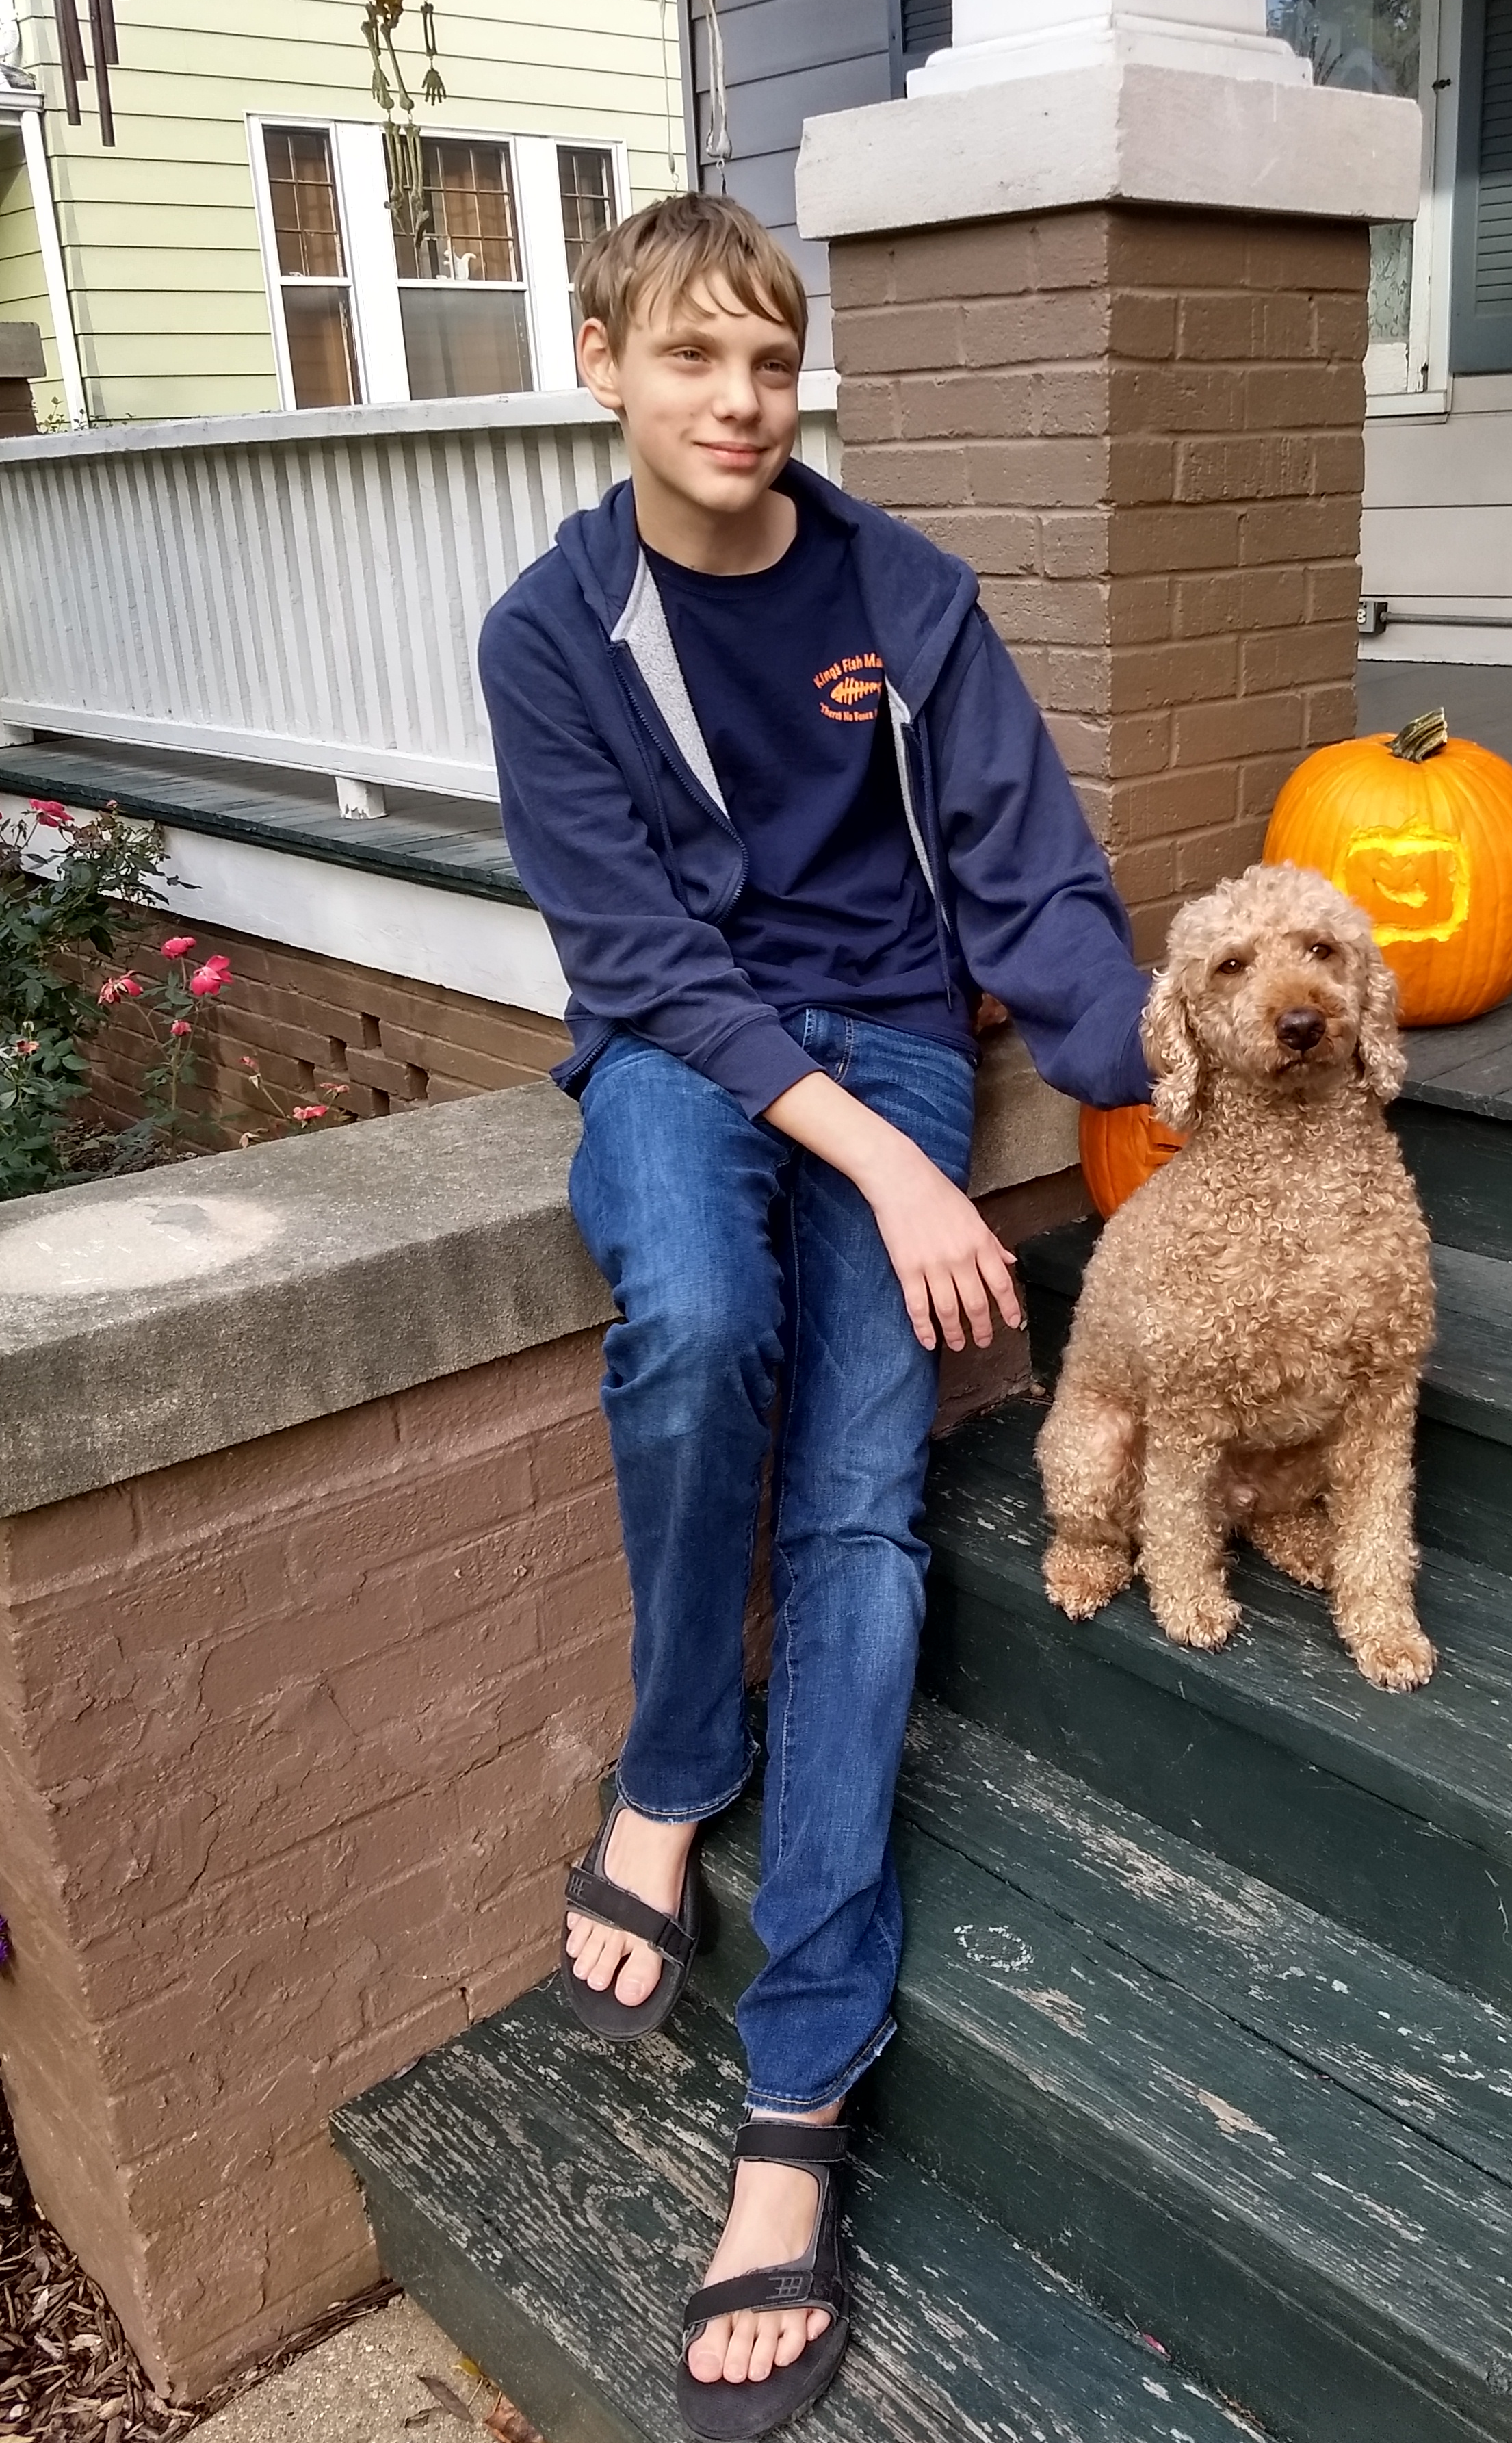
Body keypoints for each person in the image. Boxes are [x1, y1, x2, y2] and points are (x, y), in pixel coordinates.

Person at [475, 194, 1151, 2438]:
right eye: (694, 362)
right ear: (607, 367)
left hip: (883, 1035)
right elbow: (639, 957)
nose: (743, 404)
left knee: (860, 1514)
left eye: (772, 363)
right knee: (691, 1322)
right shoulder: (554, 631)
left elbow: (1032, 865)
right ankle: (674, 1771)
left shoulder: (898, 596)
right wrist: (894, 1164)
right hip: (687, 1046)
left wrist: (1159, 1077)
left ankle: (796, 2118)